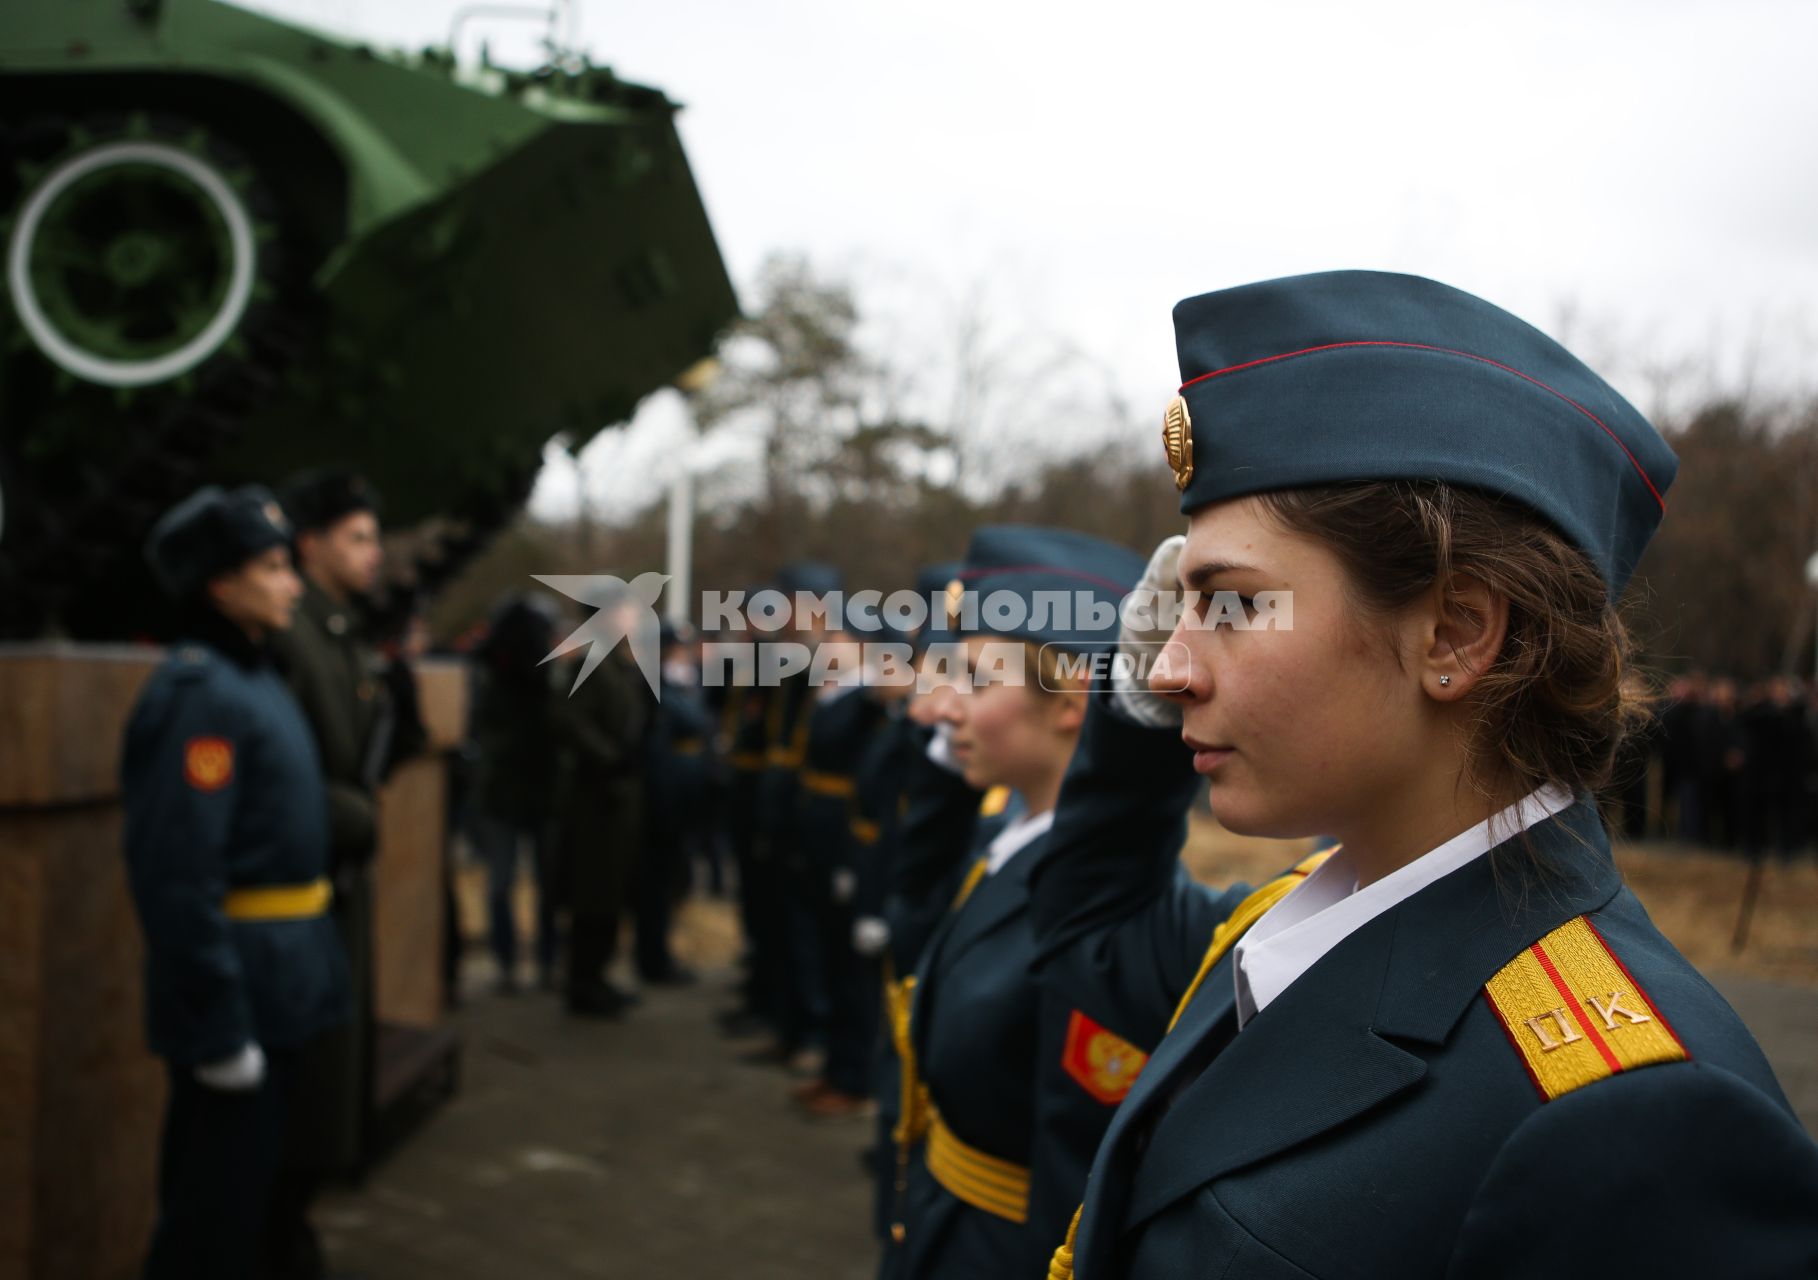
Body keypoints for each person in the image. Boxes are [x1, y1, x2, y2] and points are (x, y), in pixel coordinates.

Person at [1028, 270, 1818, 1279]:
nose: (1170, 665)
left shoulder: (1629, 1111)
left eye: (1230, 603)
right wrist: (1136, 719)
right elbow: (1084, 931)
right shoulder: (1289, 927)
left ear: (1454, 632)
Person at [884, 526, 1148, 1280]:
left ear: (1067, 700)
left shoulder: (1106, 911)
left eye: (975, 680)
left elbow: (1076, 1177)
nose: (944, 709)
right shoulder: (1011, 838)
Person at [123, 486, 350, 1280]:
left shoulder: (252, 680)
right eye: (272, 567)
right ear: (220, 585)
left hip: (284, 983)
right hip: (243, 995)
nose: (292, 583)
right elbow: (178, 876)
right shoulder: (200, 694)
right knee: (211, 1223)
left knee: (261, 1205)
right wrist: (215, 1026)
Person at [269, 468, 388, 1193]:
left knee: (333, 1063)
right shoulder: (296, 634)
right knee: (308, 1071)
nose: (374, 552)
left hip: (337, 871)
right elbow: (282, 768)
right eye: (359, 538)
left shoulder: (339, 631)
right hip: (304, 878)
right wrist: (353, 814)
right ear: (311, 545)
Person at [554, 590, 655, 1018]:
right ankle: (584, 983)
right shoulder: (591, 664)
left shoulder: (618, 663)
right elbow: (569, 721)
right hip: (597, 799)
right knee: (594, 895)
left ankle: (597, 977)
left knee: (611, 893)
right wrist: (609, 760)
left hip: (619, 798)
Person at [466, 595, 564, 992]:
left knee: (518, 883)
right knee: (517, 883)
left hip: (523, 789)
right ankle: (531, 964)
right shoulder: (497, 674)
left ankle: (527, 964)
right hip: (516, 790)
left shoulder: (496, 671)